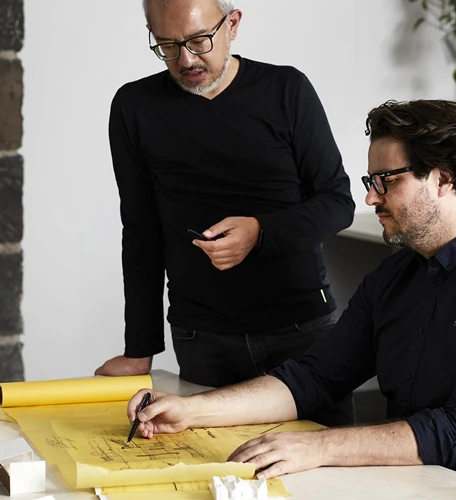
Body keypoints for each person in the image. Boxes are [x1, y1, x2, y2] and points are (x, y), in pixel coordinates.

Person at [126, 99, 456, 486]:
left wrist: (318, 446)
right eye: (370, 182)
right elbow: (315, 377)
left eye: (386, 181)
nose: (371, 198)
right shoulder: (394, 276)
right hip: (410, 481)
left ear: (443, 179)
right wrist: (190, 410)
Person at [95, 0, 355, 425]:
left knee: (323, 457)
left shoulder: (287, 89)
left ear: (232, 24)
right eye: (167, 45)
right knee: (213, 462)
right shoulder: (134, 105)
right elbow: (140, 232)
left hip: (300, 328)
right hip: (202, 337)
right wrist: (139, 350)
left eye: (199, 40)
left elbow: (337, 202)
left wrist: (260, 232)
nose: (186, 60)